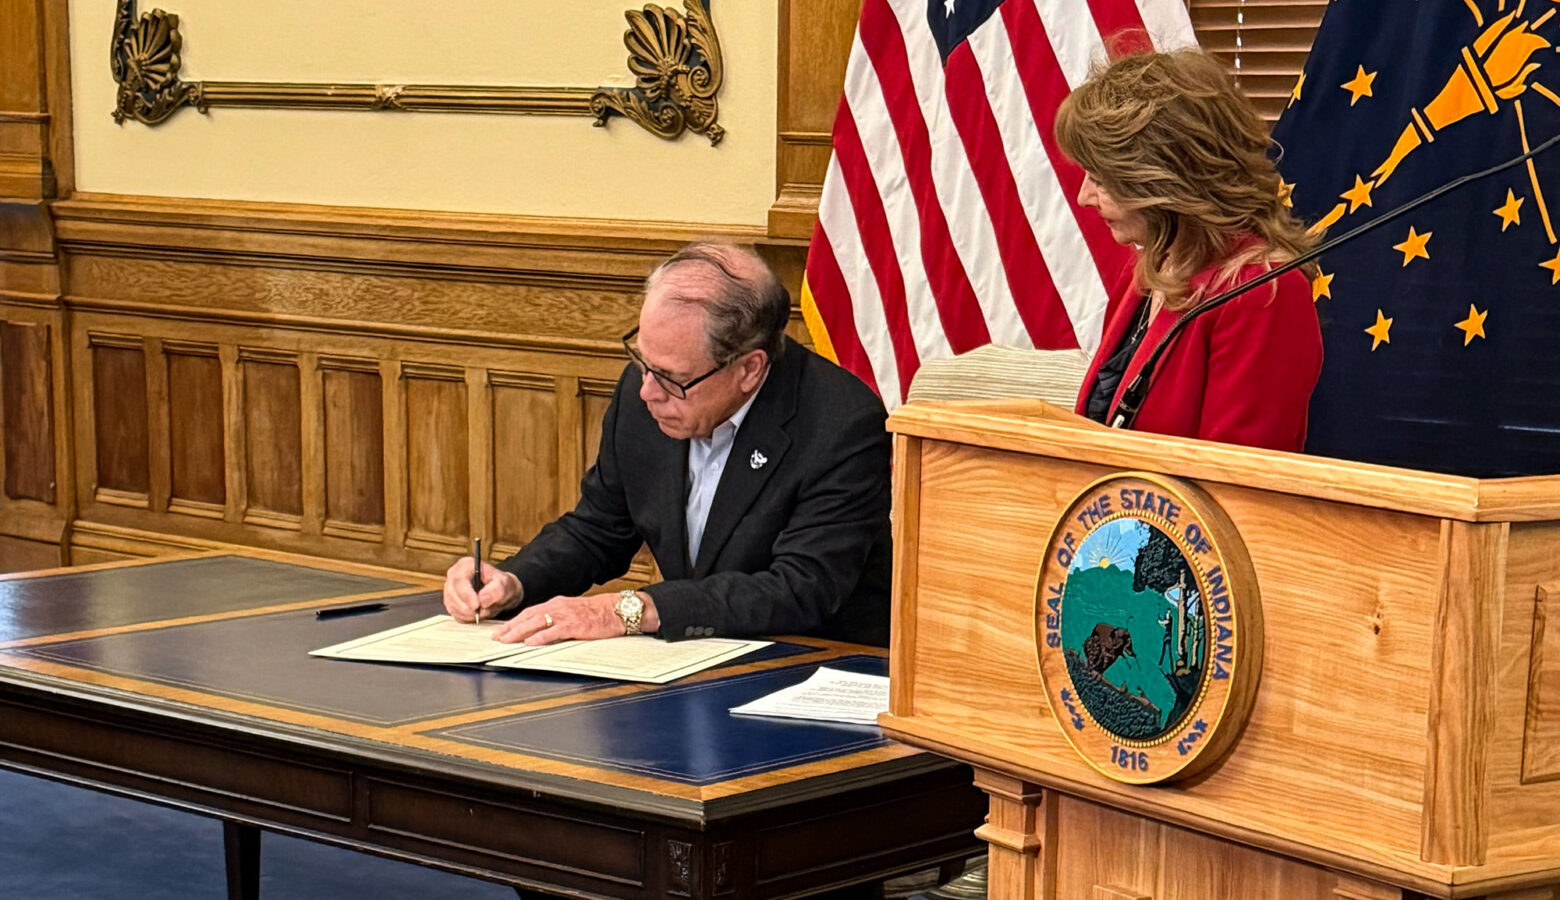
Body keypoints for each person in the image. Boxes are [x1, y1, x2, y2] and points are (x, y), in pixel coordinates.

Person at [441, 241, 893, 646]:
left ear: (750, 369)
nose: (647, 392)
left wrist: (627, 609)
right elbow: (600, 527)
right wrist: (515, 580)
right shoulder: (650, 388)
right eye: (642, 362)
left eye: (673, 379)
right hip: (692, 660)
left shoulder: (840, 424)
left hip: (810, 661)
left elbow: (800, 587)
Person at [1054, 48, 1323, 452]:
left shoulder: (1262, 294)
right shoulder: (1152, 266)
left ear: (1167, 179)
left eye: (1101, 179)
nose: (1083, 197)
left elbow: (1235, 488)